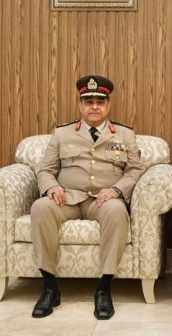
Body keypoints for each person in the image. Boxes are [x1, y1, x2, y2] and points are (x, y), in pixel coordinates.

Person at [30, 75, 143, 320]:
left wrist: (116, 190)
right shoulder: (62, 133)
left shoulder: (124, 134)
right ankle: (49, 286)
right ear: (80, 105)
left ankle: (104, 287)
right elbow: (45, 170)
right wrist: (51, 188)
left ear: (108, 105)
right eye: (88, 101)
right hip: (67, 200)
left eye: (100, 102)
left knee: (117, 211)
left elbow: (135, 170)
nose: (94, 106)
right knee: (40, 207)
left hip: (103, 202)